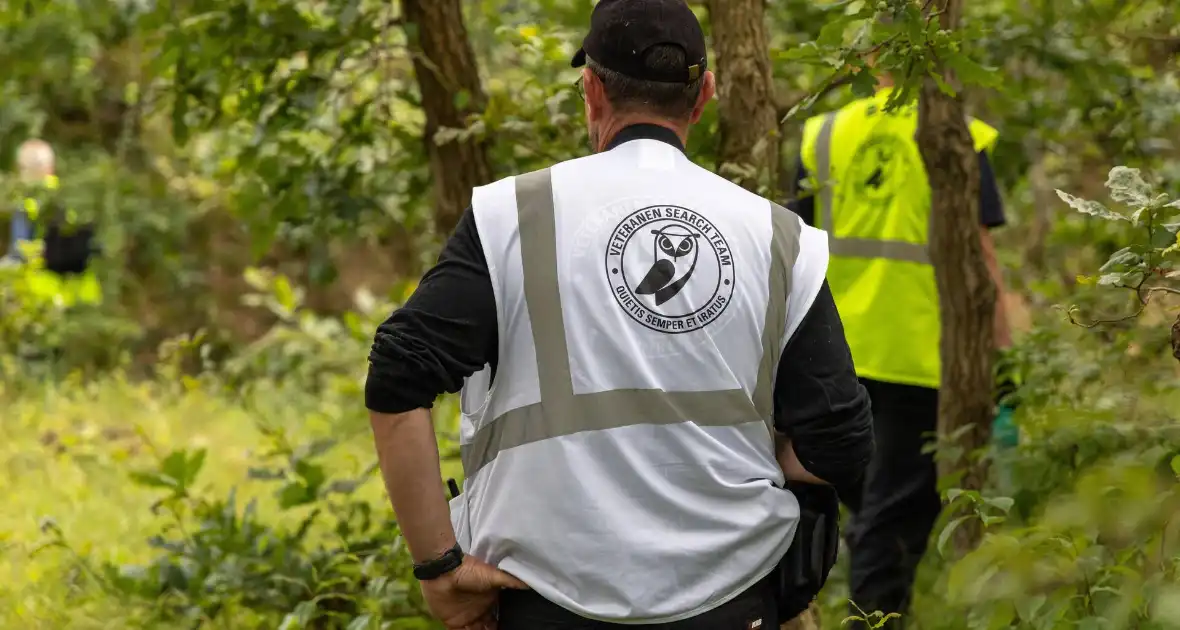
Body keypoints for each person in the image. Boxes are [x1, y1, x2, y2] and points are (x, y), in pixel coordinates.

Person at [364, 1, 874, 628]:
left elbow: (396, 379)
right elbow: (841, 444)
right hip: (731, 596)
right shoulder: (777, 237)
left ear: (592, 89)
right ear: (705, 94)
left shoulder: (513, 217)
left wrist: (439, 568)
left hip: (545, 597)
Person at [789, 66, 1013, 626]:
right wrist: (1003, 351)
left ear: (871, 61)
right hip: (918, 353)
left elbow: (795, 247)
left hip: (833, 352)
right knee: (893, 518)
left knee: (868, 504)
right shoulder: (959, 134)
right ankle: (874, 615)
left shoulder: (822, 134)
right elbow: (979, 257)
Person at [4, 139, 101, 307]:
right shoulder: (74, 199)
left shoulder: (27, 203)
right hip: (83, 297)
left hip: (42, 297)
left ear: (21, 170)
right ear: (50, 167)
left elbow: (19, 254)